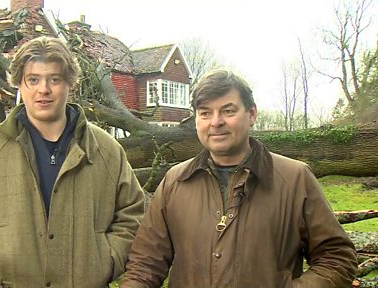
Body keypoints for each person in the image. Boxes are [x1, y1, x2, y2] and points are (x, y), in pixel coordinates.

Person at [0, 36, 145, 288]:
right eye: (33, 79)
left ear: (70, 83)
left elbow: (133, 213)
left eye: (54, 79)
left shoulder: (106, 151)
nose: (44, 90)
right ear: (19, 83)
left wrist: (106, 260)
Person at [121, 69, 358, 288]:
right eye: (205, 113)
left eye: (228, 111)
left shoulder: (294, 179)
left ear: (252, 113)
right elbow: (145, 264)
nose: (216, 122)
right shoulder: (175, 181)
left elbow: (337, 258)